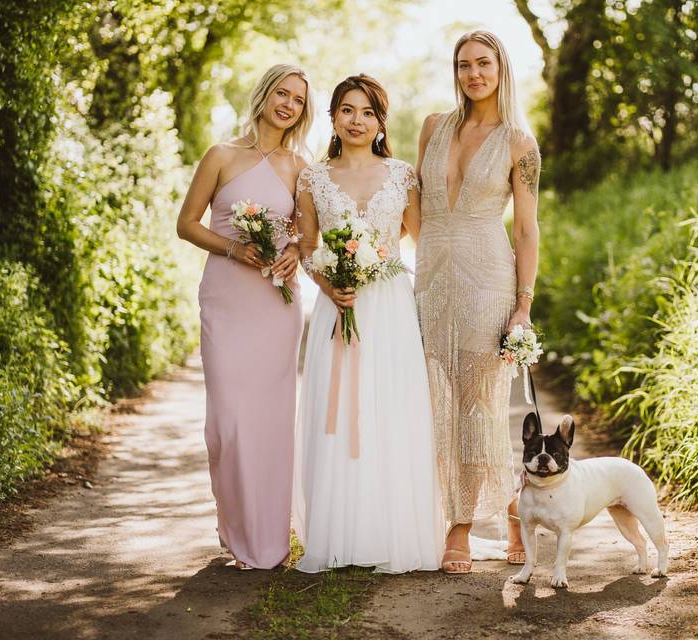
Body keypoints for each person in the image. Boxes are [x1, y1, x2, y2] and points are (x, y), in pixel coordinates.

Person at [292, 74, 443, 574]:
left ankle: (391, 531)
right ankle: (341, 535)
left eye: (368, 113)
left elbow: (424, 242)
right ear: (333, 117)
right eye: (347, 110)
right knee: (338, 415)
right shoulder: (313, 178)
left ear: (381, 122)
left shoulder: (402, 175)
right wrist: (328, 285)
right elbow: (307, 248)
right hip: (338, 307)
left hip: (390, 307)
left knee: (390, 410)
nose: (357, 121)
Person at [176, 63, 313, 570]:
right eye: (282, 92)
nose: (288, 105)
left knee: (272, 420)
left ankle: (268, 539)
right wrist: (234, 249)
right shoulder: (221, 155)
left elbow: (307, 233)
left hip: (277, 304)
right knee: (228, 422)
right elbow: (186, 224)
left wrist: (295, 252)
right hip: (227, 298)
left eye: (298, 100)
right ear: (263, 93)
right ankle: (234, 526)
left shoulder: (301, 167)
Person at [415, 30, 541, 574]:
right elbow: (411, 203)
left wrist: (523, 304)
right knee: (432, 401)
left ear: (500, 67)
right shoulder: (431, 127)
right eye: (464, 64)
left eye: (483, 63)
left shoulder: (520, 143)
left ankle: (460, 526)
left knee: (478, 404)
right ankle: (514, 506)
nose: (473, 74)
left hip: (489, 276)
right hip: (430, 275)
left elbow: (528, 231)